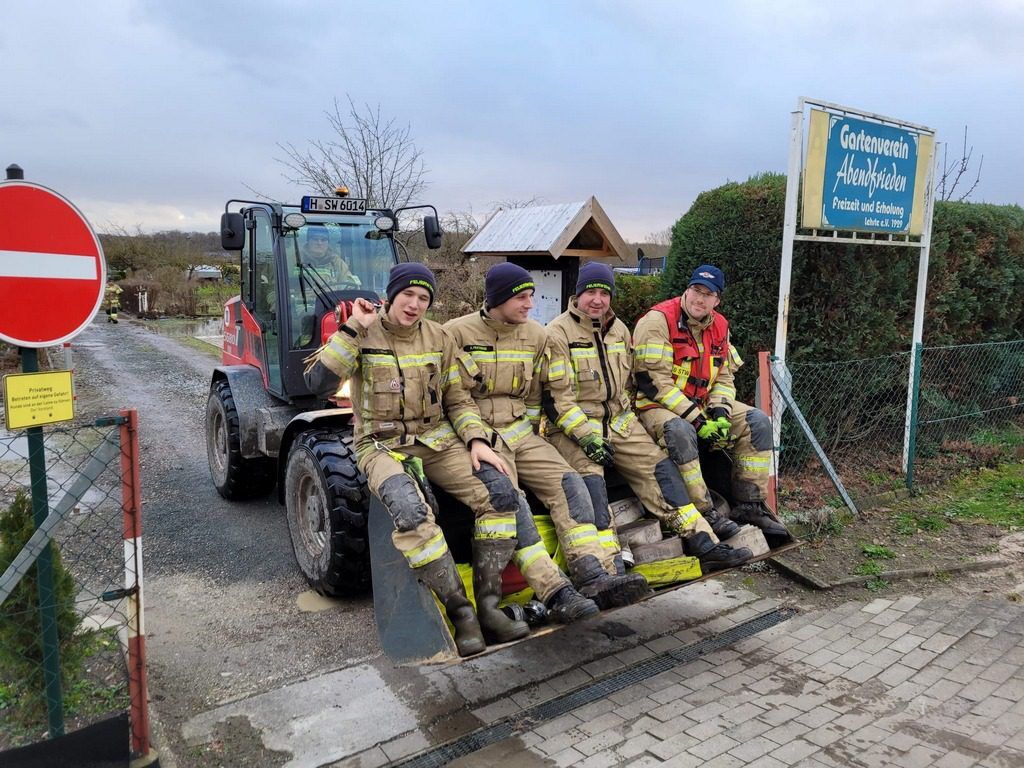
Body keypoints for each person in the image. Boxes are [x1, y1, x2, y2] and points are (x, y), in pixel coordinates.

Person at [303, 263, 597, 656]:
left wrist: (476, 440)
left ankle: (489, 608)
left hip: (437, 439)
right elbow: (317, 383)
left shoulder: (439, 337)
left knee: (501, 495)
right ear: (391, 295)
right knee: (411, 513)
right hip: (381, 444)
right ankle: (462, 615)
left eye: (423, 298)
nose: (415, 304)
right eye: (408, 295)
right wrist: (355, 326)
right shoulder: (362, 332)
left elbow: (457, 399)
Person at [444, 263, 652, 610]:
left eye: (532, 296)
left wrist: (537, 434)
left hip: (521, 434)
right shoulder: (455, 333)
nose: (530, 304)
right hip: (480, 437)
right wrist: (472, 438)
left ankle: (591, 574)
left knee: (571, 484)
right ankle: (555, 591)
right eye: (522, 298)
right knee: (512, 502)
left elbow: (547, 393)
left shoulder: (538, 336)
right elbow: (451, 397)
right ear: (498, 298)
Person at [542, 262, 753, 571]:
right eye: (590, 292)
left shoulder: (619, 330)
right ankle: (610, 568)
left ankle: (704, 542)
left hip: (619, 421)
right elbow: (556, 398)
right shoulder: (556, 333)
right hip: (576, 428)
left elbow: (630, 383)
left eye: (604, 293)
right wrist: (586, 437)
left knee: (662, 473)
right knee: (593, 488)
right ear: (577, 294)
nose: (597, 300)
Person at [632, 264, 792, 547]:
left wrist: (720, 412)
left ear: (717, 300)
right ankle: (704, 511)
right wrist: (697, 420)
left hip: (702, 404)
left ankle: (749, 505)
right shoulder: (658, 321)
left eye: (708, 294)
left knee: (757, 421)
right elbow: (654, 383)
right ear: (687, 290)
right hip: (656, 406)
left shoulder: (720, 326)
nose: (700, 298)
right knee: (680, 431)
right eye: (696, 290)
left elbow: (724, 376)